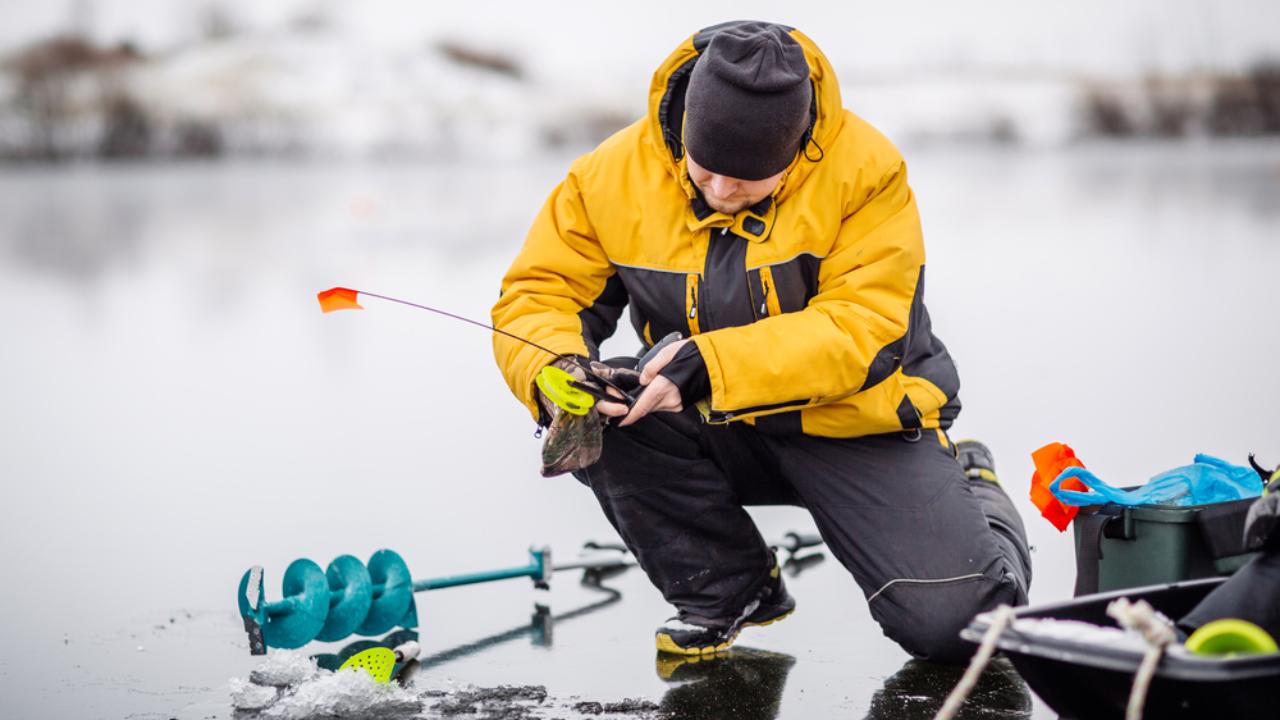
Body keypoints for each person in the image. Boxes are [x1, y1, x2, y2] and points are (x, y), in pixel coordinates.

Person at [491, 20, 1032, 664]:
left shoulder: (867, 173)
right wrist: (552, 366)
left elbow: (863, 329)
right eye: (707, 170)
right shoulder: (607, 177)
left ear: (796, 151)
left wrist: (712, 365)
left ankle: (972, 480)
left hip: (860, 425)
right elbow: (539, 294)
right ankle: (729, 590)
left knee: (961, 632)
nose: (722, 191)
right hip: (710, 421)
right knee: (610, 408)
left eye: (750, 178)